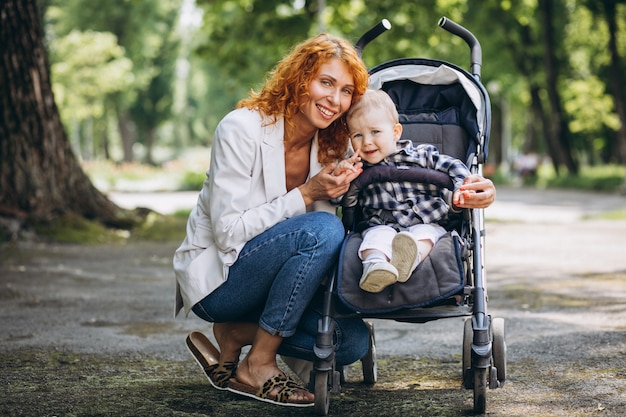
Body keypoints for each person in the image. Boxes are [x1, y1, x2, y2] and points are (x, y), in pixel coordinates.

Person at [173, 34, 497, 408]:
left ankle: (237, 334)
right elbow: (229, 232)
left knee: (349, 343)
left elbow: (384, 177)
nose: (335, 99)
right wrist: (309, 193)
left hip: (280, 286)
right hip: (225, 280)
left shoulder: (335, 146)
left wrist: (475, 190)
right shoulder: (240, 129)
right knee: (324, 229)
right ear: (298, 79)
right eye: (326, 83)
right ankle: (258, 363)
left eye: (346, 91)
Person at [334, 89, 473, 293]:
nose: (367, 142)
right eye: (357, 135)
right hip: (382, 222)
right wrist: (341, 176)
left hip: (427, 220)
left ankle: (409, 259)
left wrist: (461, 188)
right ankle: (375, 266)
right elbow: (340, 197)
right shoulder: (358, 168)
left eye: (375, 132)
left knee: (425, 236)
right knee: (375, 238)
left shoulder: (422, 155)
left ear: (396, 132)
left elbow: (454, 166)